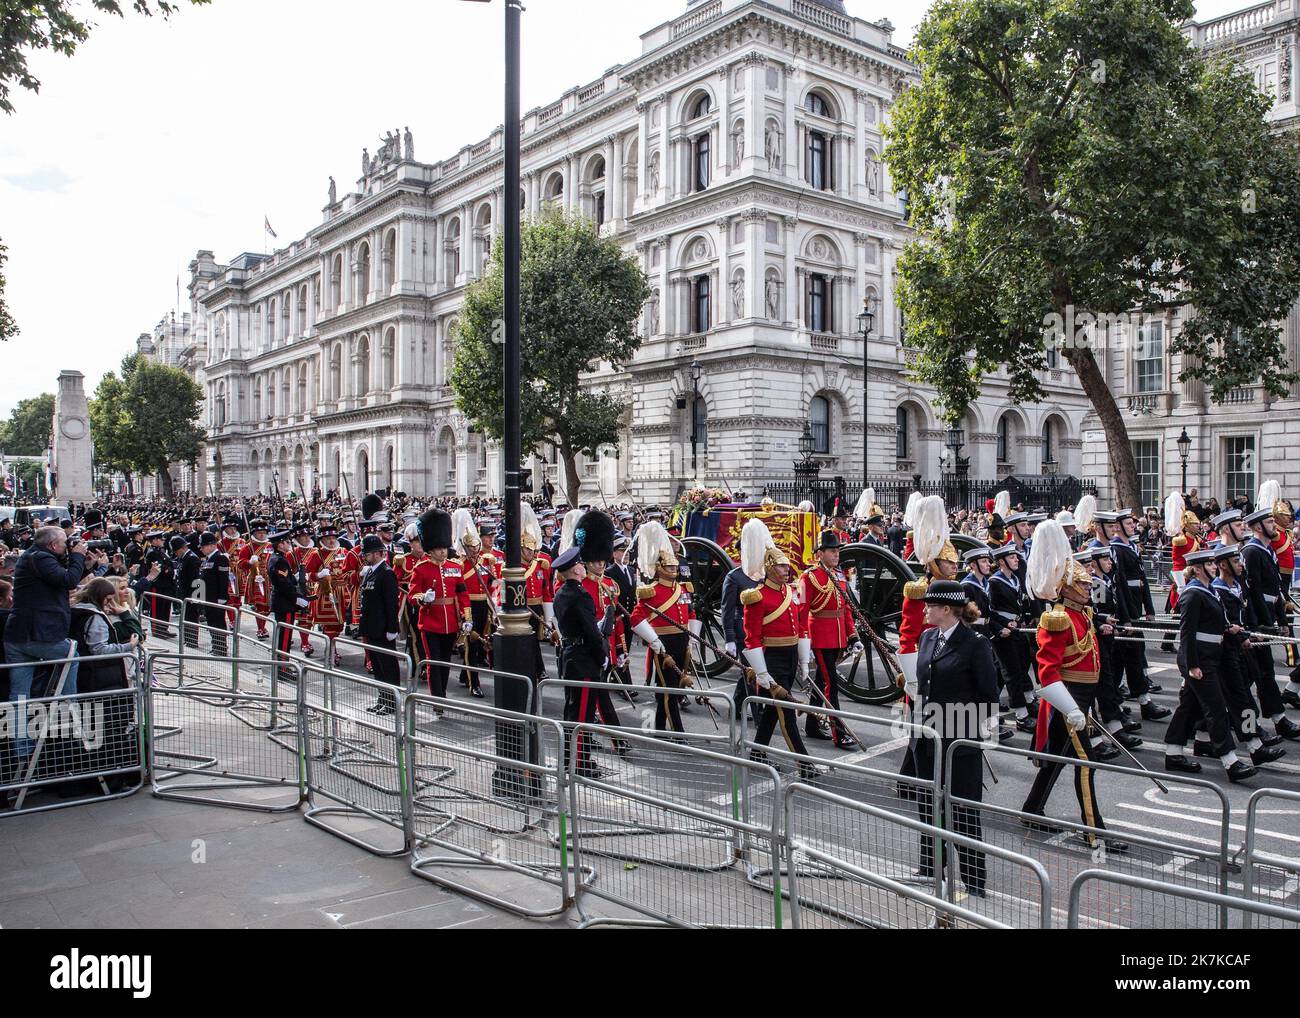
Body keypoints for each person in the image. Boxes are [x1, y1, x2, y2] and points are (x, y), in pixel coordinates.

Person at [1020, 521, 1126, 851]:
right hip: (1068, 702)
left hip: (1082, 699)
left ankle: (1032, 809)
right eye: (1081, 584)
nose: (1087, 586)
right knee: (1086, 763)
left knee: (1054, 760)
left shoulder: (1083, 614)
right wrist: (1072, 709)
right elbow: (1046, 674)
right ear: (1066, 588)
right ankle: (1094, 831)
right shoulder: (1058, 618)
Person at [907, 580, 999, 896]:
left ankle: (974, 882)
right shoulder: (928, 636)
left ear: (947, 609)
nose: (925, 610)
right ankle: (930, 871)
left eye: (930, 606)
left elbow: (989, 695)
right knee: (929, 806)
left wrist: (968, 734)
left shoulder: (976, 643)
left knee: (963, 812)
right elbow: (926, 682)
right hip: (926, 739)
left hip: (958, 745)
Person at [1163, 549, 1257, 782]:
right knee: (1215, 709)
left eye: (1214, 564)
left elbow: (1216, 622)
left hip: (1211, 655)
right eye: (1209, 564)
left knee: (1189, 707)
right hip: (1200, 660)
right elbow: (1187, 633)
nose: (1214, 567)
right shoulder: (1193, 594)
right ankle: (1230, 761)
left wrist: (1230, 629)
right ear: (1197, 569)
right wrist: (1192, 665)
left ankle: (1173, 753)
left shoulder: (1210, 590)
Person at [739, 526, 816, 779]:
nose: (786, 570)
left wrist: (804, 660)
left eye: (786, 566)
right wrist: (762, 673)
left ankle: (757, 753)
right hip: (771, 658)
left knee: (773, 711)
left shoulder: (790, 592)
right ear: (770, 568)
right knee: (786, 711)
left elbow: (801, 626)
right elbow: (751, 638)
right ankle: (804, 763)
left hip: (790, 655)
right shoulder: (756, 597)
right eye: (781, 567)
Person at [4, 525, 87, 713]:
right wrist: (78, 556)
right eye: (64, 543)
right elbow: (68, 581)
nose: (67, 546)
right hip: (36, 634)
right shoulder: (41, 558)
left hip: (18, 634)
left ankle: (21, 742)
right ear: (52, 545)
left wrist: (84, 563)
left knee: (19, 696)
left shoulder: (34, 557)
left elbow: (61, 578)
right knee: (71, 656)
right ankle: (68, 713)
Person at [629, 520, 698, 737]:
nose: (674, 570)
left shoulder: (683, 588)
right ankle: (678, 732)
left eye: (675, 567)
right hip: (663, 644)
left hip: (682, 642)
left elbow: (692, 612)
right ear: (660, 568)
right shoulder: (651, 591)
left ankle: (659, 727)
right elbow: (636, 619)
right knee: (669, 688)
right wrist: (654, 640)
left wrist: (693, 635)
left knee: (674, 686)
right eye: (670, 567)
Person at [553, 545, 617, 777]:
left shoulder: (561, 593)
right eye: (580, 564)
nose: (583, 567)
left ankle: (575, 759)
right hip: (583, 660)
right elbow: (591, 632)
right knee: (582, 715)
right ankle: (578, 763)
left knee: (573, 711)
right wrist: (602, 655)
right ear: (576, 570)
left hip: (571, 656)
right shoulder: (580, 596)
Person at [797, 530, 860, 748]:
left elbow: (846, 609)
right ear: (820, 553)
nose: (836, 554)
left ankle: (813, 725)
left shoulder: (840, 575)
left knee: (822, 682)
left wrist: (853, 637)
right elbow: (802, 612)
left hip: (838, 637)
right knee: (830, 685)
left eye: (837, 551)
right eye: (832, 551)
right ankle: (838, 732)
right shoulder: (809, 577)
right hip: (821, 638)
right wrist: (804, 643)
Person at [408, 508, 470, 701]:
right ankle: (437, 698)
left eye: (444, 547)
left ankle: (441, 692)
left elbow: (462, 594)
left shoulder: (454, 567)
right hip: (430, 622)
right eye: (439, 548)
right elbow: (412, 594)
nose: (443, 551)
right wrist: (423, 598)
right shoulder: (421, 569)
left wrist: (466, 618)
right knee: (434, 662)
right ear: (431, 549)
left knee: (445, 661)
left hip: (450, 622)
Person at [358, 534, 401, 715]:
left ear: (376, 554)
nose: (365, 557)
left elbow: (391, 603)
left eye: (367, 554)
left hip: (383, 629)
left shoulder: (387, 573)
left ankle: (392, 703)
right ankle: (382, 699)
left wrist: (392, 628)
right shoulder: (370, 571)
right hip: (372, 627)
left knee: (387, 666)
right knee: (377, 666)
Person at [267, 530, 309, 683]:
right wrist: (297, 599)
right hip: (285, 604)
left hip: (282, 602)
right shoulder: (279, 561)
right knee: (284, 638)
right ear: (280, 544)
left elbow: (285, 580)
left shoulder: (277, 559)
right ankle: (282, 669)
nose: (288, 544)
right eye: (286, 542)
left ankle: (282, 665)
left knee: (284, 636)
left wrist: (295, 579)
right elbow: (283, 585)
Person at [197, 531, 230, 656]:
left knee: (218, 623)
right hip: (209, 597)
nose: (201, 549)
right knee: (211, 622)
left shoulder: (220, 558)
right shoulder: (208, 559)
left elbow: (223, 579)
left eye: (203, 546)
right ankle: (216, 645)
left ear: (211, 545)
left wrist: (222, 596)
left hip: (217, 598)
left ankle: (221, 647)